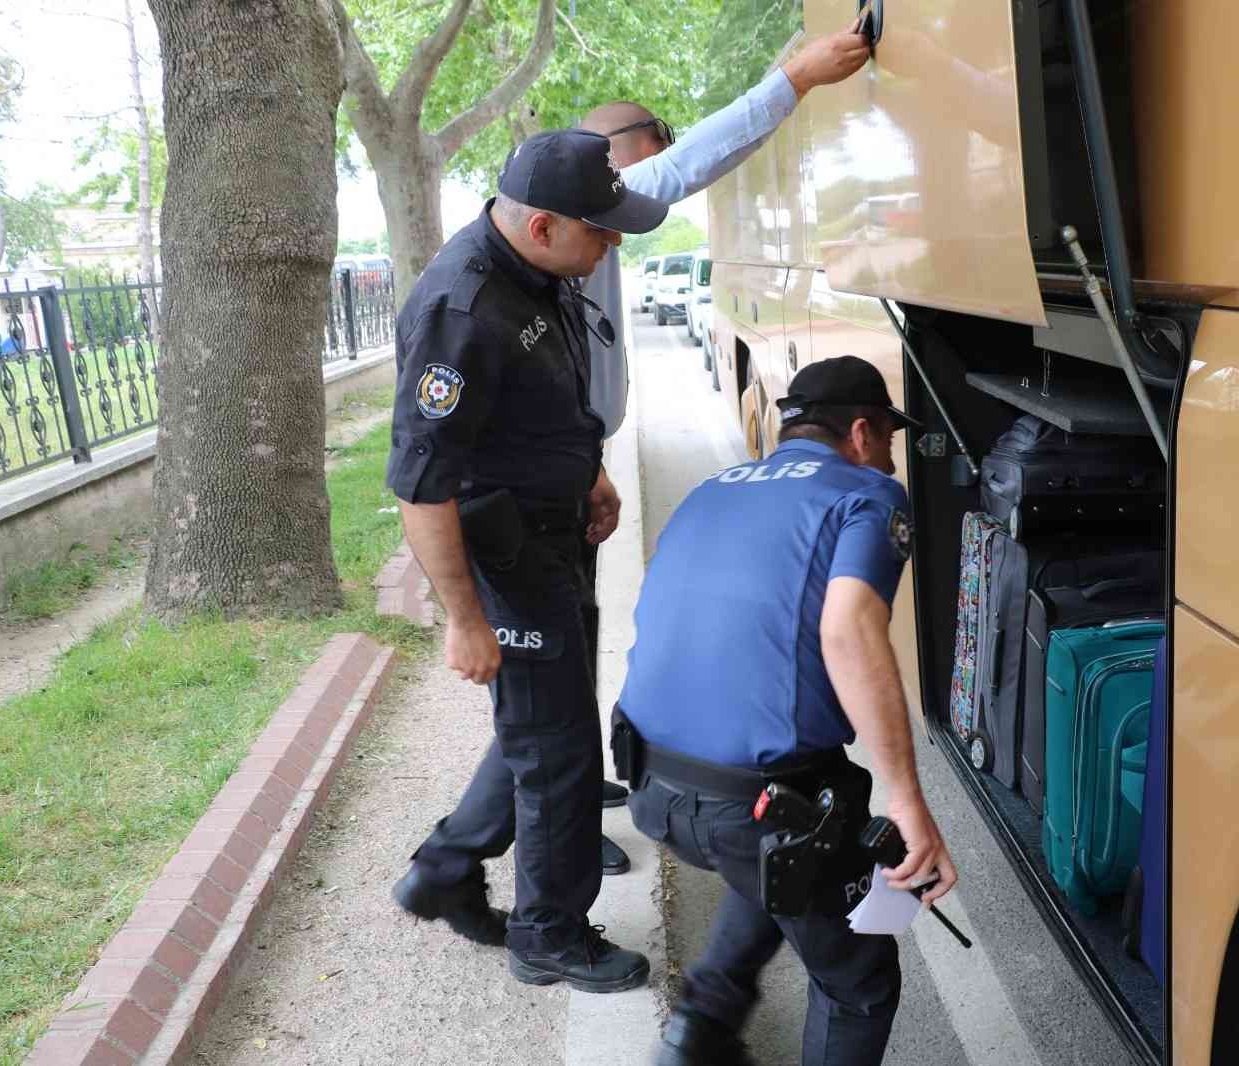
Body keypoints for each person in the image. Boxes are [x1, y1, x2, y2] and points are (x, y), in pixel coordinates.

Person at [570, 23, 873, 870]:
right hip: (535, 492)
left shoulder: (574, 221)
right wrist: (793, 78)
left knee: (557, 678)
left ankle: (564, 797)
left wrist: (589, 456)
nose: (635, 222)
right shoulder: (581, 194)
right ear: (617, 158)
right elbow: (680, 169)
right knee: (541, 689)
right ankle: (482, 860)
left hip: (567, 470)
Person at [384, 128, 667, 993]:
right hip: (509, 557)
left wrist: (593, 475)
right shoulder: (461, 310)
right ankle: (548, 934)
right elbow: (422, 483)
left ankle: (442, 871)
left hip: (555, 534)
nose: (611, 241)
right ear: (542, 224)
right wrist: (466, 621)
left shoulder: (537, 272)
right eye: (601, 228)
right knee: (558, 751)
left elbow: (545, 406)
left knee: (545, 727)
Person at [616, 357, 959, 1066]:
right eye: (888, 436)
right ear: (861, 431)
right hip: (746, 806)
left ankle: (697, 1034)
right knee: (858, 982)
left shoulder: (713, 489)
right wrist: (906, 799)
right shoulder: (866, 492)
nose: (890, 453)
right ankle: (699, 1033)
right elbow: (849, 629)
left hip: (650, 783)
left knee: (790, 858)